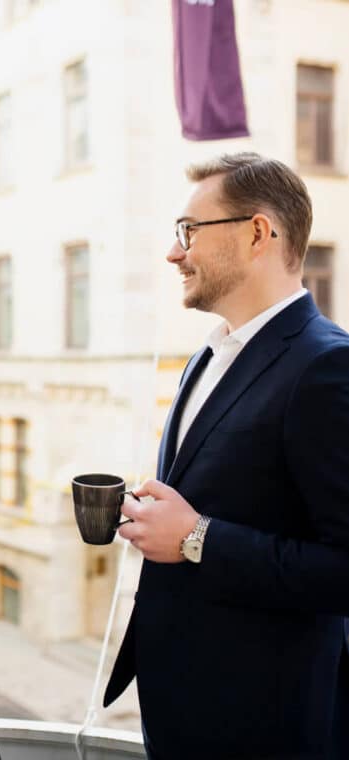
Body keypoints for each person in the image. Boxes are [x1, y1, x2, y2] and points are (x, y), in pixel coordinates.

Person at [104, 153, 349, 760]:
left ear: (258, 233)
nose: (174, 252)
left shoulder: (327, 367)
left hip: (267, 726)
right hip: (183, 712)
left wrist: (196, 538)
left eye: (190, 231)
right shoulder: (206, 357)